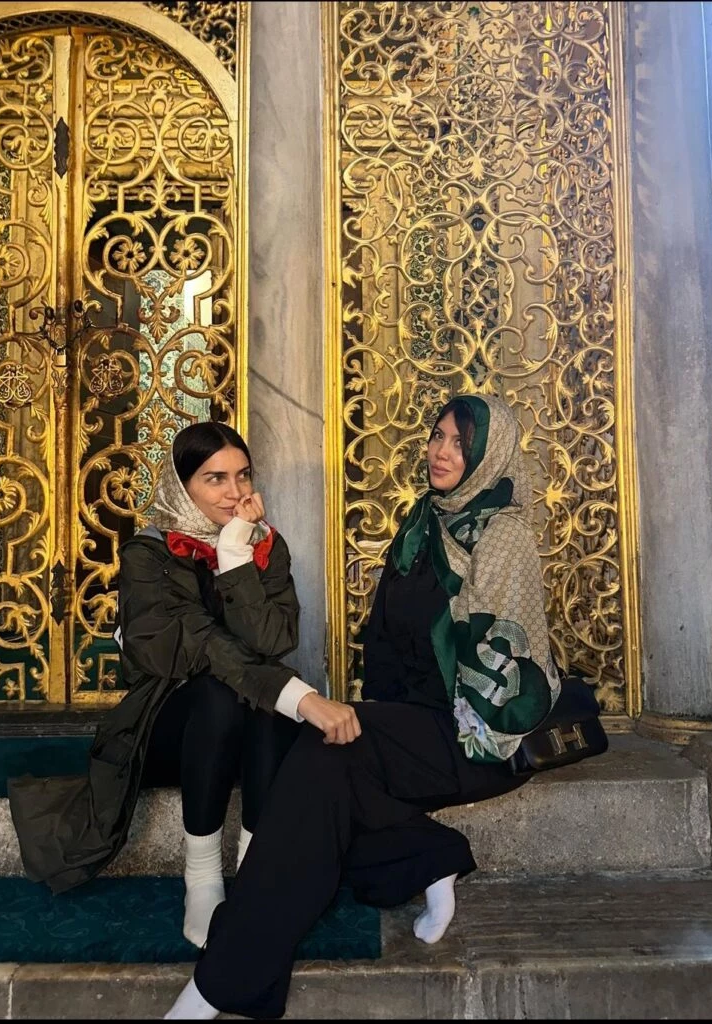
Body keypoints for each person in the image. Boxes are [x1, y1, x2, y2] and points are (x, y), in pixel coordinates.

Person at [164, 393, 561, 1020]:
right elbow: (386, 641)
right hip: (415, 724)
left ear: (489, 455)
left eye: (460, 443)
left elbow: (503, 668)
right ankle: (429, 858)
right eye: (437, 435)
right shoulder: (423, 524)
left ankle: (216, 987)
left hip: (480, 733)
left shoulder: (501, 534)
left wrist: (388, 728)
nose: (441, 452)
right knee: (328, 750)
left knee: (324, 760)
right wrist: (379, 722)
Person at [8, 422, 359, 948]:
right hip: (169, 729)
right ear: (182, 483)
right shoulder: (147, 555)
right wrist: (302, 697)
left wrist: (236, 555)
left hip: (252, 728)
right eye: (215, 478)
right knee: (222, 695)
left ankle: (257, 871)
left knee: (261, 705)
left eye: (243, 475)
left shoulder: (264, 546)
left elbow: (275, 638)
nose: (235, 492)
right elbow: (197, 646)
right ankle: (202, 877)